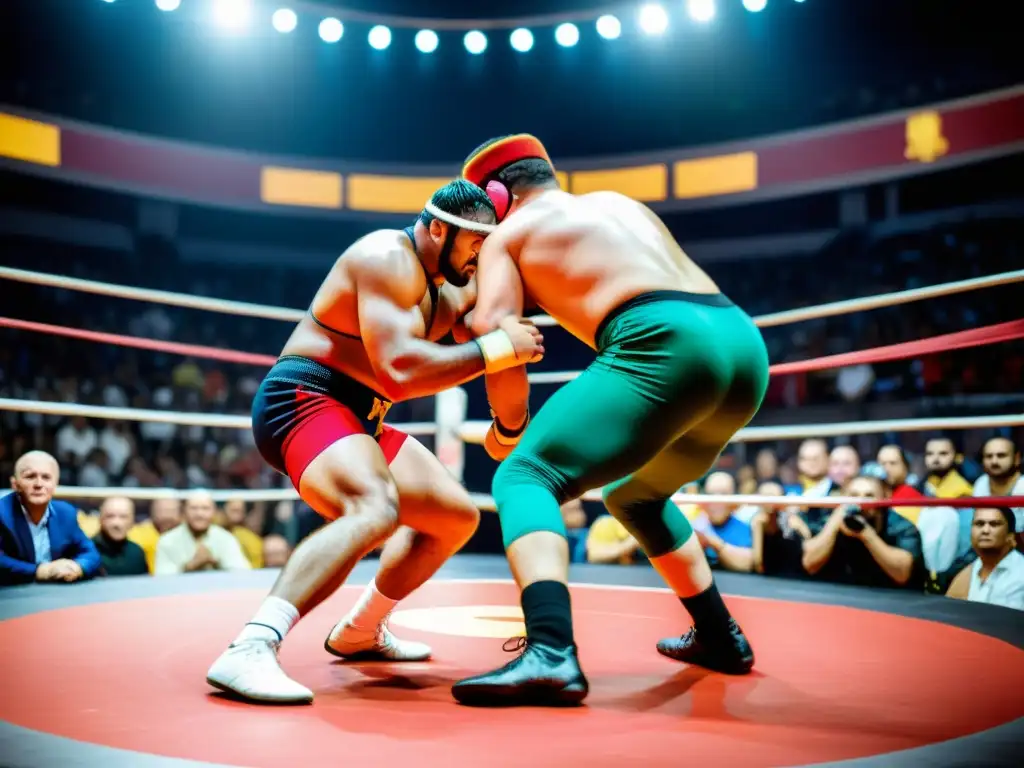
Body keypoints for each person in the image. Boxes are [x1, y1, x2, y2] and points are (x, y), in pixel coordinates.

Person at [451, 135, 770, 706]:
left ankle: (550, 652)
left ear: (497, 197)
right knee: (635, 496)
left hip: (665, 343)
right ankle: (721, 634)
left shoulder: (509, 234)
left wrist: (509, 429)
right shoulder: (622, 204)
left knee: (523, 477)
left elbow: (500, 340)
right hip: (742, 346)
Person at [206, 179, 545, 703]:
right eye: (475, 244)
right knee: (373, 508)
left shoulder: (454, 285)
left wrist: (509, 423)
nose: (480, 257)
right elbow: (402, 369)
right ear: (438, 229)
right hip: (304, 398)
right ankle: (250, 647)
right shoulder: (385, 256)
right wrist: (497, 349)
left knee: (455, 518)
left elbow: (490, 332)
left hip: (363, 415)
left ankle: (361, 630)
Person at [1, 450, 101, 586]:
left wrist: (77, 567)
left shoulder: (66, 513)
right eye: (30, 476)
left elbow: (90, 552)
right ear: (15, 484)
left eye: (46, 477)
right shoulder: (2, 512)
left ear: (56, 484)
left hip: (54, 596)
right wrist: (39, 571)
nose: (38, 484)